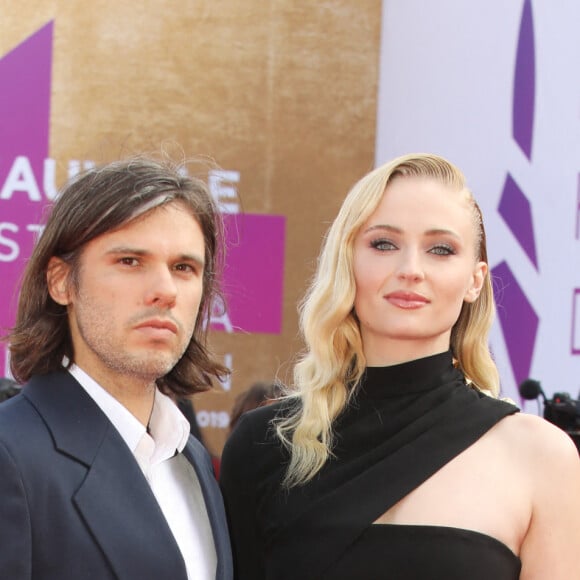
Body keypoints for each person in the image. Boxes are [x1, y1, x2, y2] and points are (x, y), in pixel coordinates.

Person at [220, 153, 580, 580]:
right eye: (383, 244)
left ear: (475, 279)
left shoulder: (539, 456)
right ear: (347, 260)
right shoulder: (266, 445)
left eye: (440, 250)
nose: (410, 270)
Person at [0, 156, 233, 579]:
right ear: (61, 282)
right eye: (130, 261)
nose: (164, 290)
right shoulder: (9, 453)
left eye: (184, 268)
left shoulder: (191, 460)